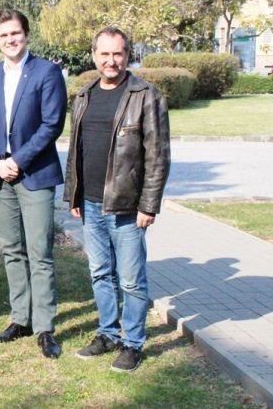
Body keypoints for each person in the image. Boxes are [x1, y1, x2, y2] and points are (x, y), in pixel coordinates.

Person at [64, 26, 170, 372]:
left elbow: (158, 156)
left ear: (127, 55)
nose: (111, 61)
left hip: (127, 207)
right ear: (94, 55)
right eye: (105, 54)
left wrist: (148, 205)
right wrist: (73, 193)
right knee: (100, 273)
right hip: (90, 203)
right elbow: (75, 151)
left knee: (131, 280)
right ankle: (108, 333)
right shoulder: (84, 96)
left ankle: (133, 343)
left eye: (118, 53)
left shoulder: (146, 96)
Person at [0, 9, 66, 358]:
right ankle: (21, 318)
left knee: (40, 253)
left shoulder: (46, 72)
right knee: (11, 250)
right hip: (1, 177)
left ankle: (44, 327)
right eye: (3, 35)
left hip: (35, 175)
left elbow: (52, 124)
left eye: (15, 33)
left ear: (26, 34)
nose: (10, 40)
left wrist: (18, 160)